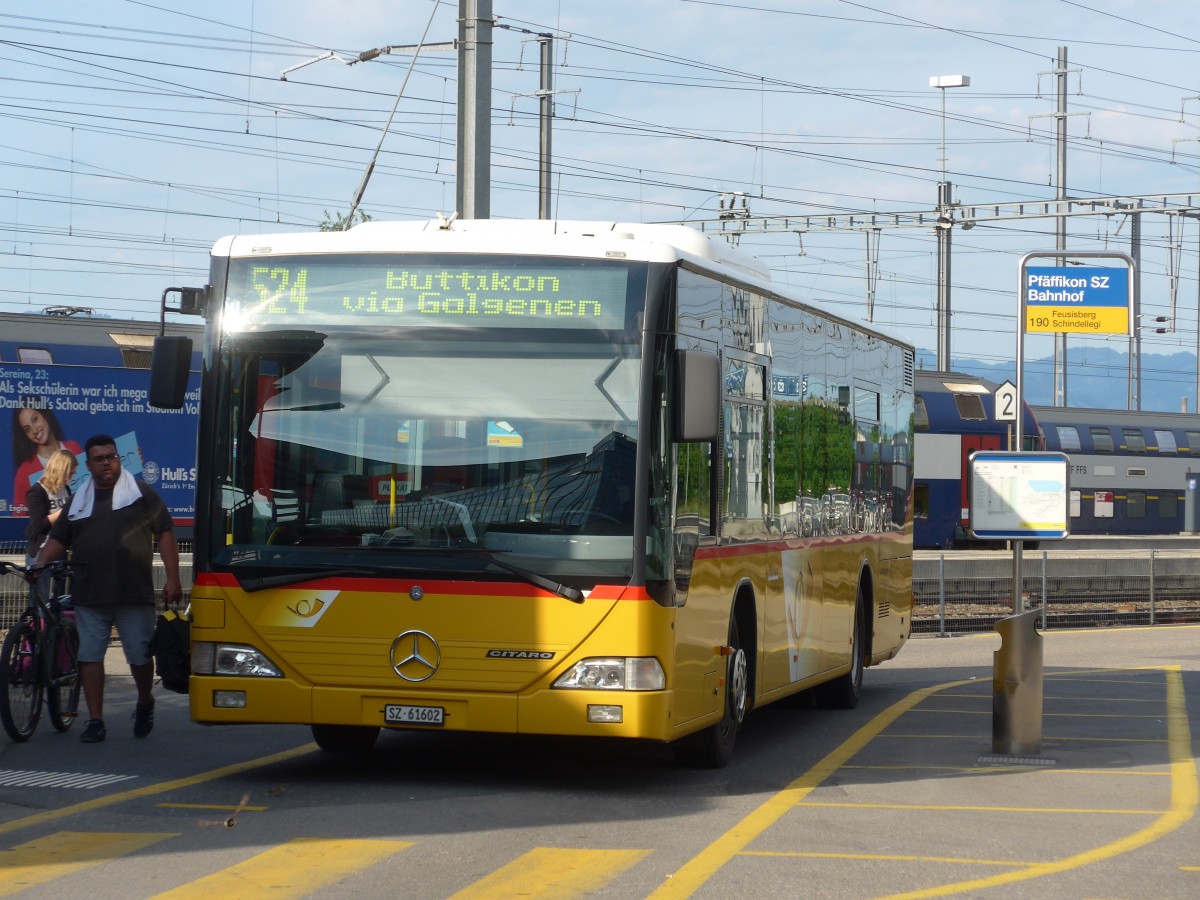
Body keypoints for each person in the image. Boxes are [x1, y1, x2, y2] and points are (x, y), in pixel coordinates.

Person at [36, 434, 183, 743]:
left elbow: (165, 534)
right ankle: (95, 720)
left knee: (140, 657)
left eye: (111, 457)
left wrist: (173, 578)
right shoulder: (80, 499)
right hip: (89, 593)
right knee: (90, 655)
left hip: (132, 592)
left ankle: (144, 702)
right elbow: (59, 539)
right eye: (100, 458)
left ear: (119, 459)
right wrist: (38, 565)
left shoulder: (141, 493)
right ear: (88, 465)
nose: (107, 463)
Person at [11, 400, 82, 517]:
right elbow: (19, 519)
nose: (34, 430)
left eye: (35, 419)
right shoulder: (25, 471)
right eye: (27, 429)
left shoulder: (74, 448)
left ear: (45, 414)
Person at [23, 448, 78, 601]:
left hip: (60, 549)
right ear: (61, 470)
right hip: (42, 551)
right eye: (70, 473)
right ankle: (39, 624)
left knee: (59, 600)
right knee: (42, 600)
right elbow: (38, 527)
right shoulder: (37, 491)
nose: (71, 478)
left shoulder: (65, 489)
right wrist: (63, 511)